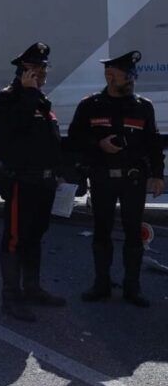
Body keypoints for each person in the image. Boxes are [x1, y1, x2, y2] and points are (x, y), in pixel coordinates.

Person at [68, 50, 164, 308]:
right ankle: (101, 285)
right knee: (102, 231)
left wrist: (158, 174)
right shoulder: (91, 105)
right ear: (109, 76)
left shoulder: (143, 107)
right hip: (102, 178)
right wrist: (98, 143)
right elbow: (74, 139)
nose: (130, 80)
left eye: (131, 76)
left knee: (133, 233)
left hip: (133, 180)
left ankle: (132, 288)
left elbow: (153, 144)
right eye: (124, 76)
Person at [0, 42, 66, 322]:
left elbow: (50, 141)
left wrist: (60, 171)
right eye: (36, 68)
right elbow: (12, 132)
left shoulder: (40, 100)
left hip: (43, 182)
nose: (43, 73)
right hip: (21, 182)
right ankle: (10, 298)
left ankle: (32, 289)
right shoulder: (8, 98)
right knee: (14, 239)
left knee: (35, 236)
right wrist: (28, 93)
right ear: (23, 71)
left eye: (44, 68)